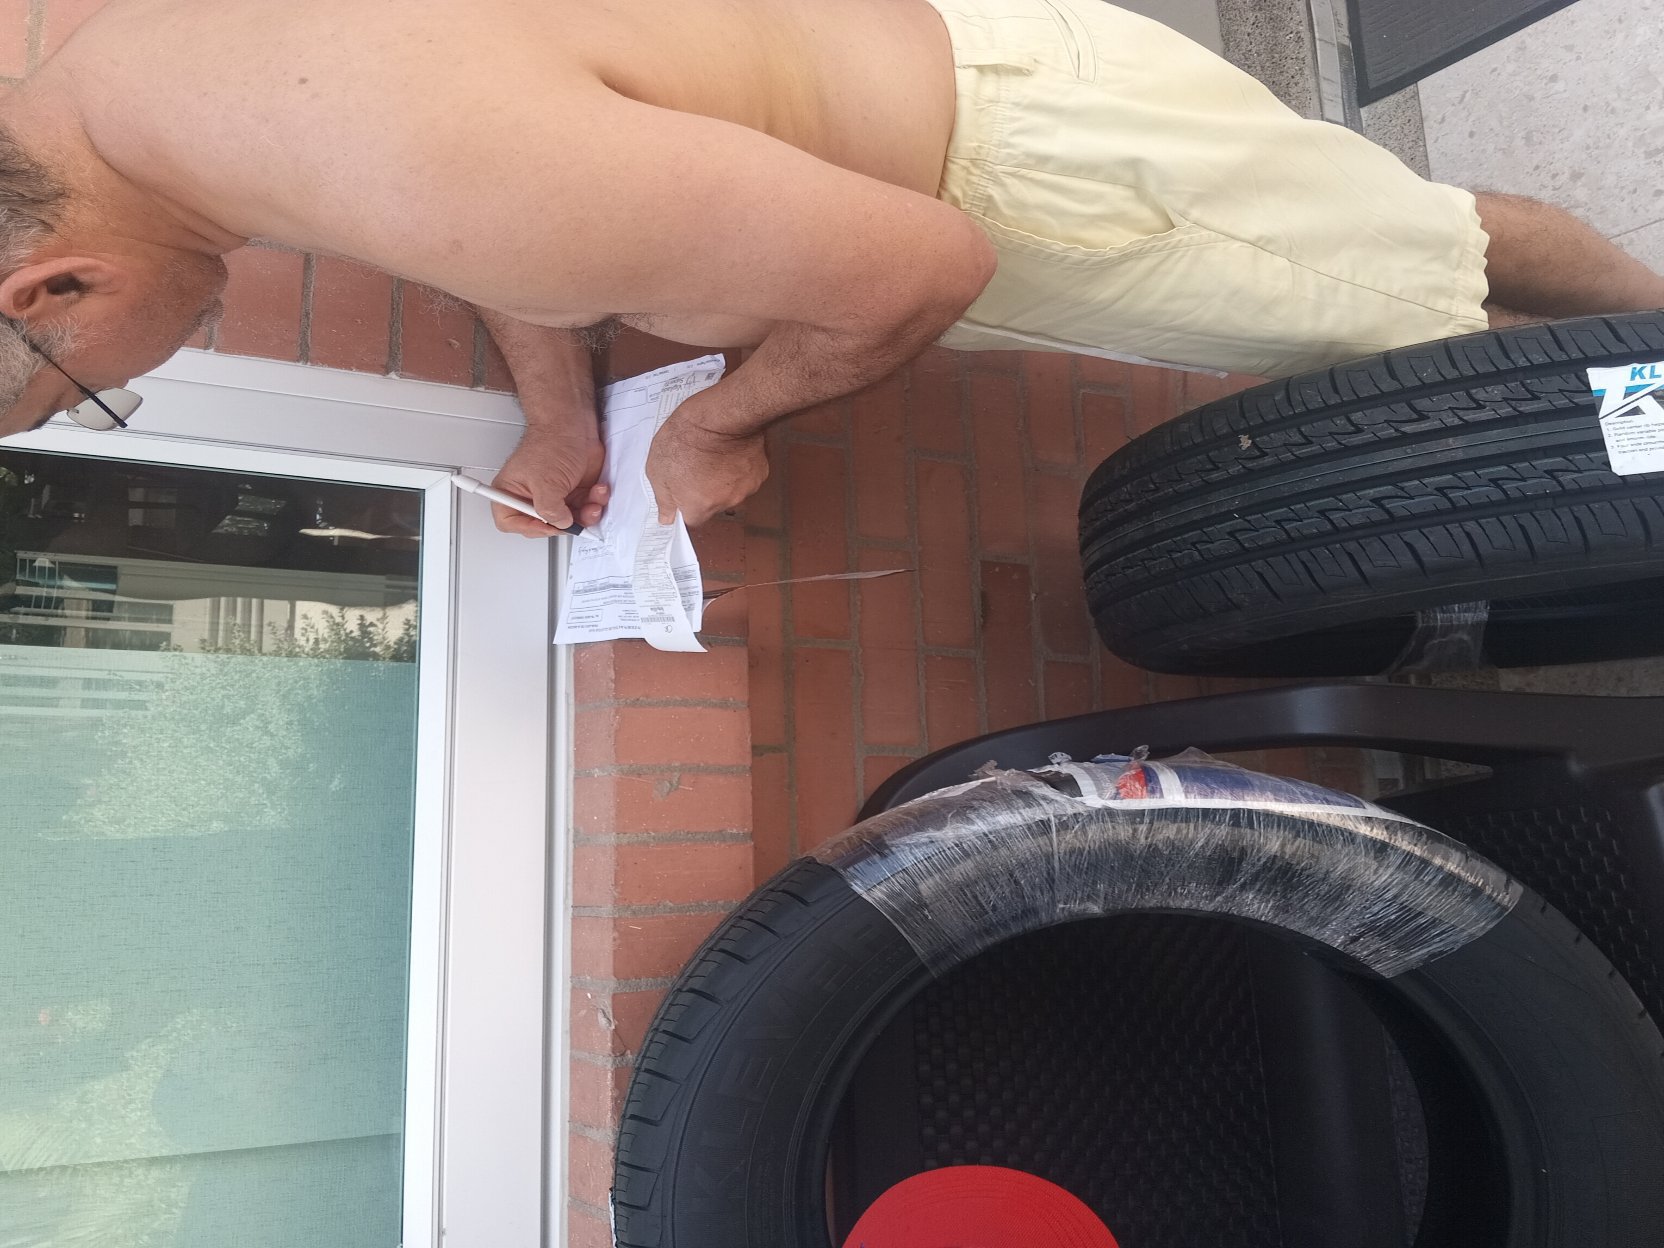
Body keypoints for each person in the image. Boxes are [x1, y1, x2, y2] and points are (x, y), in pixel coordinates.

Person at [0, 0, 1658, 536]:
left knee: (1427, 300)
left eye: (78, 395)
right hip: (981, 87)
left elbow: (916, 271)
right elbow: (479, 157)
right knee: (1397, 229)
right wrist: (560, 410)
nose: (119, 388)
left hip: (1031, 176)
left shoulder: (415, 165)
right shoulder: (130, 73)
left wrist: (721, 425)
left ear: (51, 292)